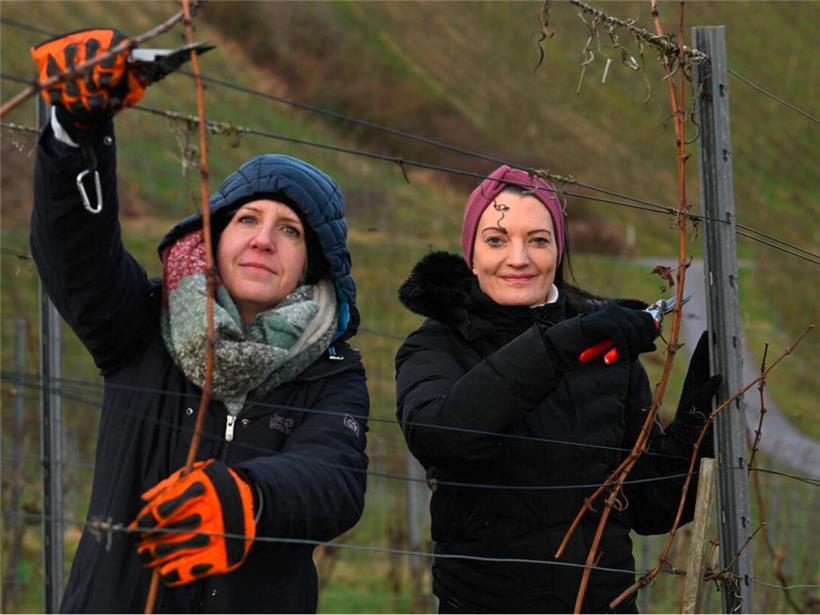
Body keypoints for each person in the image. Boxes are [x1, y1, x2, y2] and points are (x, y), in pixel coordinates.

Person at [30, 29, 369, 613]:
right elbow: (75, 253)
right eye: (247, 220)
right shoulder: (142, 322)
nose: (264, 239)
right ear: (213, 239)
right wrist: (76, 136)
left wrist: (251, 500)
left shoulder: (332, 370)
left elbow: (336, 479)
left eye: (288, 230)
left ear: (311, 264)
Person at [395, 165, 721, 613]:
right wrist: (564, 343)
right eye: (496, 240)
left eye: (538, 240)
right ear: (470, 255)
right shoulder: (438, 344)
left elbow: (646, 505)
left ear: (558, 249)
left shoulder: (605, 350)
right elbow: (442, 437)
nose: (518, 258)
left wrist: (693, 432)